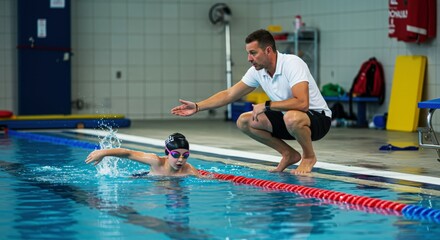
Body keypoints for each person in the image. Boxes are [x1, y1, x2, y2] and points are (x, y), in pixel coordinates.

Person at [171, 29, 331, 175]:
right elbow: (229, 94)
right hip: (288, 118)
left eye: (253, 53)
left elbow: (302, 103)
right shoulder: (257, 71)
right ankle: (288, 154)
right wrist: (198, 106)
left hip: (317, 119)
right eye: (248, 53)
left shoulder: (292, 63)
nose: (249, 58)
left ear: (268, 50)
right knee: (245, 121)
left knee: (292, 117)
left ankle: (309, 156)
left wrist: (267, 105)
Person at [85, 133, 201, 177]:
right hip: (146, 178)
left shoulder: (188, 169)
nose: (181, 159)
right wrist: (103, 153)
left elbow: (205, 177)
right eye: (176, 155)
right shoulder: (156, 161)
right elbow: (128, 153)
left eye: (185, 155)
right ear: (167, 153)